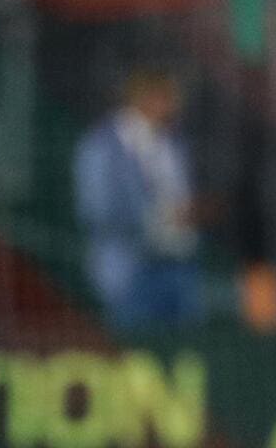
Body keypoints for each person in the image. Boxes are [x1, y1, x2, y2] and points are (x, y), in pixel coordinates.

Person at [74, 68, 202, 330]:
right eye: (168, 98)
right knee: (135, 344)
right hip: (131, 269)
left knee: (186, 346)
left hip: (179, 264)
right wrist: (157, 218)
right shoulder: (103, 145)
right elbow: (96, 209)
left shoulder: (174, 142)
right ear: (147, 98)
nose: (174, 106)